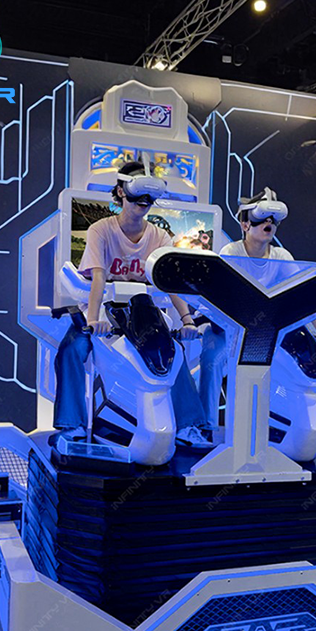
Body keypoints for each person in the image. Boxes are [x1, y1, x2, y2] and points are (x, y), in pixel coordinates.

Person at [52, 160, 211, 447]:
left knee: (172, 352)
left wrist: (187, 320)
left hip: (143, 311)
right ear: (121, 192)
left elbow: (170, 283)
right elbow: (98, 278)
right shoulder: (101, 230)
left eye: (150, 195)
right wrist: (92, 320)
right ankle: (71, 425)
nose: (144, 201)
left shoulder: (160, 236)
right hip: (103, 308)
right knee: (72, 348)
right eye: (138, 192)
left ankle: (188, 426)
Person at [197, 188, 316, 429]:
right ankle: (205, 426)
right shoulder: (231, 253)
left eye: (272, 220)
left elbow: (303, 294)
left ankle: (278, 427)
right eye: (261, 219)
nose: (268, 224)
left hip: (264, 334)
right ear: (245, 224)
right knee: (212, 361)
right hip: (228, 330)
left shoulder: (281, 256)